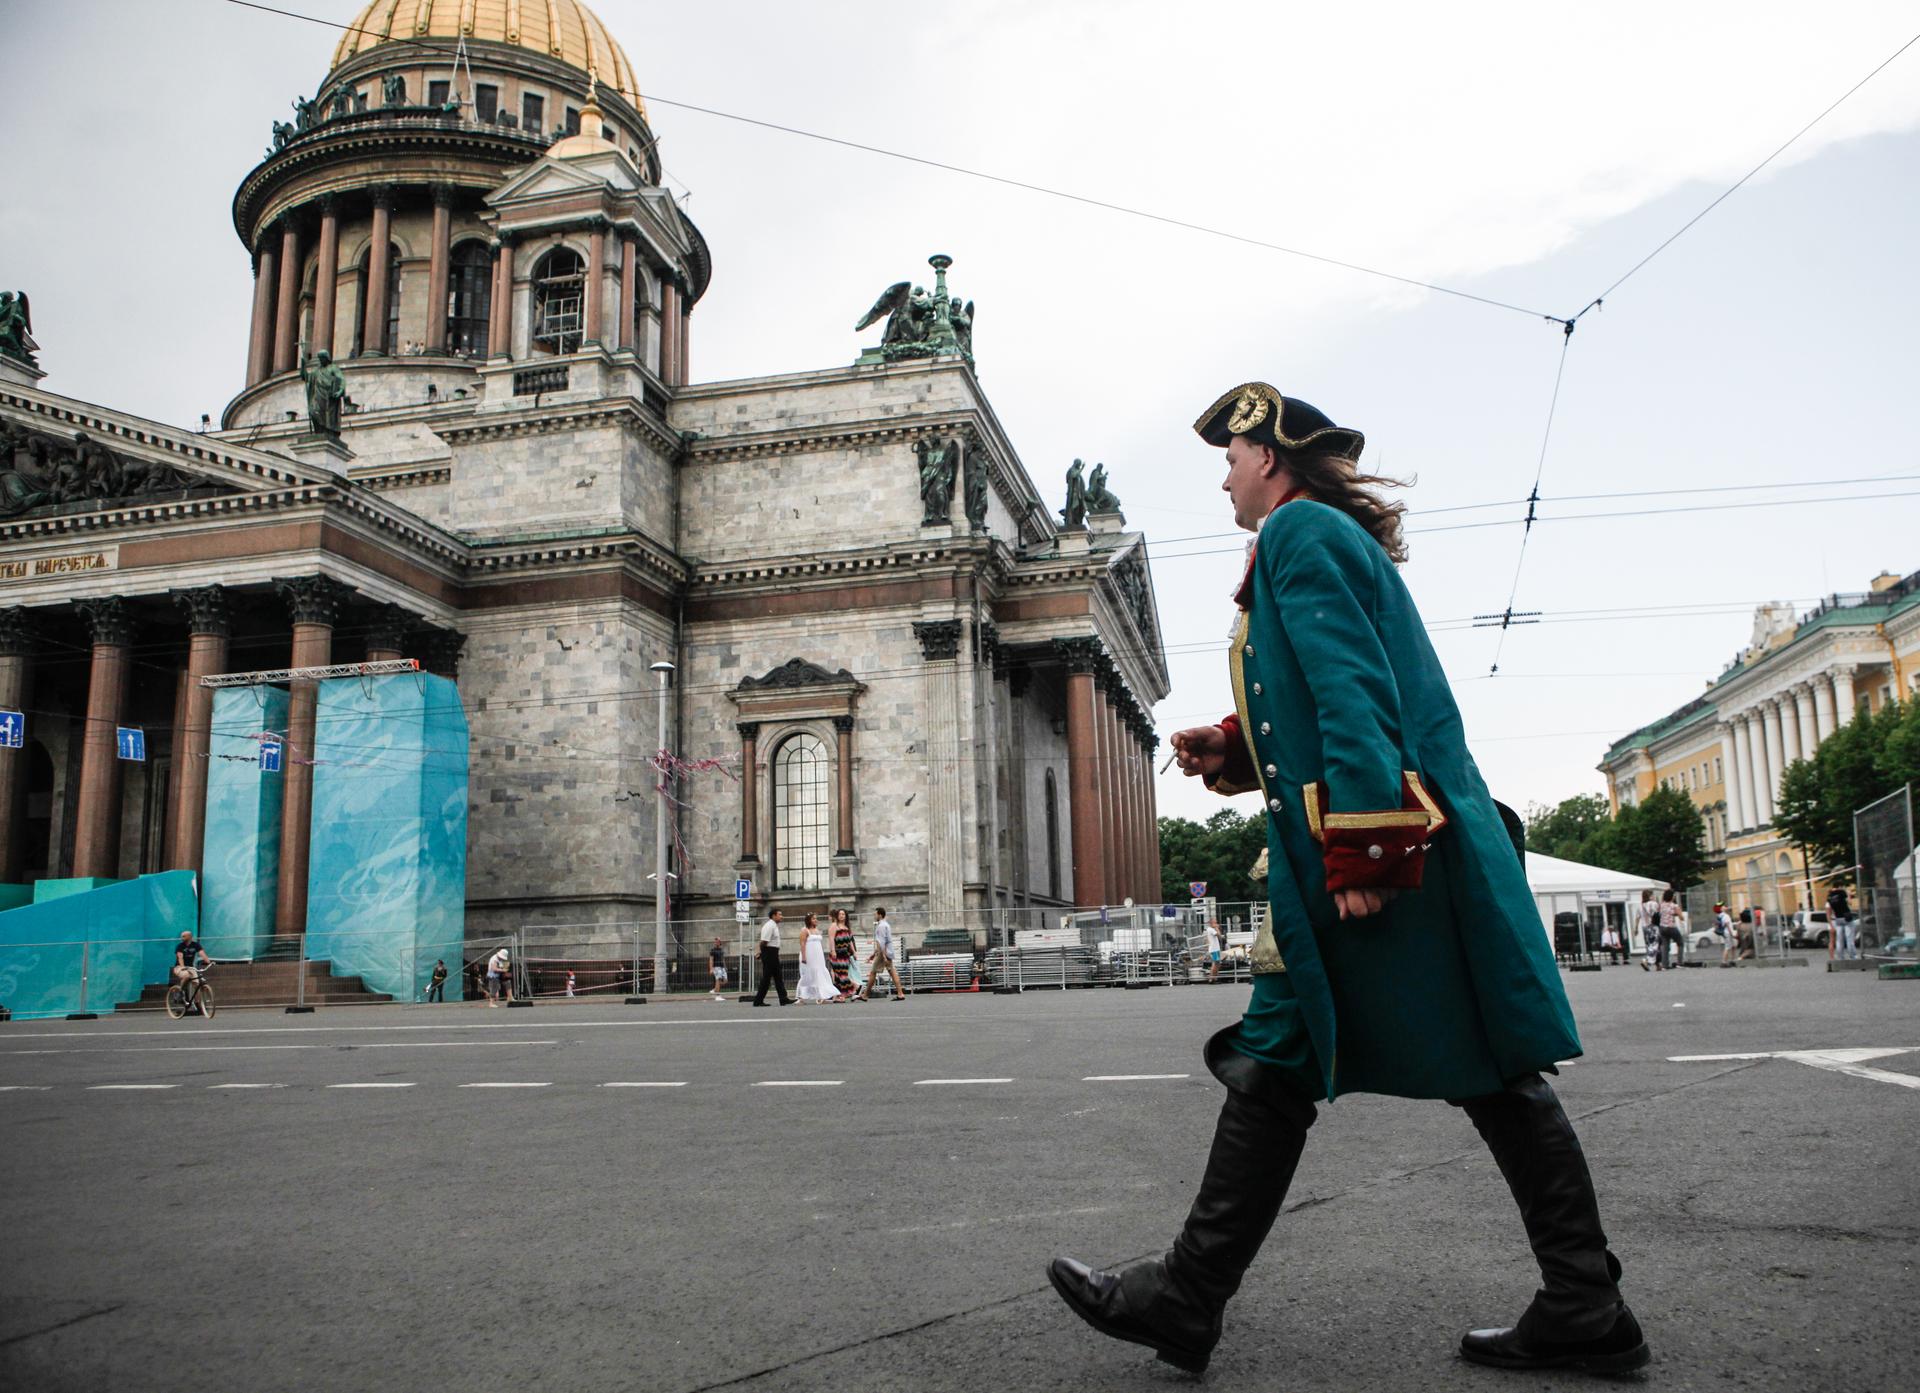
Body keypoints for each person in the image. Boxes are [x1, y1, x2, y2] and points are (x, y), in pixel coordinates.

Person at [1048, 383, 1645, 1377]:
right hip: (1398, 839)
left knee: (1480, 1071)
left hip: (1397, 846)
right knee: (1294, 1056)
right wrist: (1232, 747)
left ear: (1272, 457)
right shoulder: (1305, 539)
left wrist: (1367, 849)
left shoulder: (1299, 533)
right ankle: (1193, 1295)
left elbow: (1353, 690)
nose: (1224, 474)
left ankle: (1582, 1298)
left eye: (1233, 455)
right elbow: (1315, 695)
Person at [855, 907, 906, 1002]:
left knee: (873, 972)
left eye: (875, 914)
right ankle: (900, 993)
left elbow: (881, 942)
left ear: (880, 915)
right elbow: (883, 942)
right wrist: (874, 954)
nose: (874, 916)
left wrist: (882, 955)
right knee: (892, 971)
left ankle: (865, 995)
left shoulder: (881, 926)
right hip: (886, 952)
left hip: (883, 953)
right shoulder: (886, 925)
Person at [751, 909, 792, 1007]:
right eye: (779, 914)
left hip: (773, 952)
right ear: (773, 916)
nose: (782, 916)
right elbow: (764, 941)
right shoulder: (769, 926)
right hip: (769, 953)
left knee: (778, 977)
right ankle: (758, 1000)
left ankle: (783, 998)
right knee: (766, 978)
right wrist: (759, 952)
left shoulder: (774, 925)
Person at [797, 913, 838, 1003]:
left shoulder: (817, 930)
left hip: (818, 956)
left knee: (820, 974)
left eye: (816, 918)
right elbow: (802, 944)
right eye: (813, 919)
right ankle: (801, 997)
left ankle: (821, 997)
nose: (816, 920)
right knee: (808, 975)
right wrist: (804, 957)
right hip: (808, 955)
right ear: (809, 920)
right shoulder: (805, 930)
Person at [827, 909, 858, 997]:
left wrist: (854, 952)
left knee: (842, 974)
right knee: (840, 974)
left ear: (846, 916)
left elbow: (850, 941)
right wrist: (833, 951)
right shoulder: (834, 926)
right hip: (836, 952)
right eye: (840, 914)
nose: (841, 916)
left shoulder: (847, 927)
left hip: (845, 954)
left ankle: (843, 994)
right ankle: (854, 987)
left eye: (843, 914)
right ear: (837, 916)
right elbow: (831, 939)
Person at [1655, 890, 1684, 970]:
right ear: (1672, 897)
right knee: (1680, 943)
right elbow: (1682, 917)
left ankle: (1665, 965)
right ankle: (1679, 963)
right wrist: (1678, 914)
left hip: (1662, 927)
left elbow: (1660, 913)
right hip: (1671, 927)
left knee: (1665, 946)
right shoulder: (1674, 906)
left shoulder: (1661, 905)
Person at [1827, 885, 1857, 960]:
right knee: (1849, 938)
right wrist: (1848, 895)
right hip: (1847, 917)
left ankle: (1840, 957)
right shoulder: (1841, 893)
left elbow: (1829, 910)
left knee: (1839, 940)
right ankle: (1853, 956)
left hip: (1838, 918)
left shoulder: (1830, 897)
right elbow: (1849, 903)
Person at [1635, 890, 1659, 971]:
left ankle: (1657, 964)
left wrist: (1635, 928)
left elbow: (1637, 918)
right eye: (1652, 895)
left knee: (1649, 946)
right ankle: (1646, 961)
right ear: (1650, 896)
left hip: (1644, 927)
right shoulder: (1653, 903)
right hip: (1652, 926)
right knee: (1655, 945)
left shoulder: (1640, 905)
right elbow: (1656, 914)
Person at [1204, 919, 1226, 983]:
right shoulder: (1211, 929)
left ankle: (1215, 977)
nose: (1216, 924)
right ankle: (1211, 978)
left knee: (1217, 964)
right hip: (1214, 949)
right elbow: (1219, 935)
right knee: (1215, 963)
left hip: (1216, 949)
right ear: (1211, 923)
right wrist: (1217, 928)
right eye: (1215, 923)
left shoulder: (1211, 929)